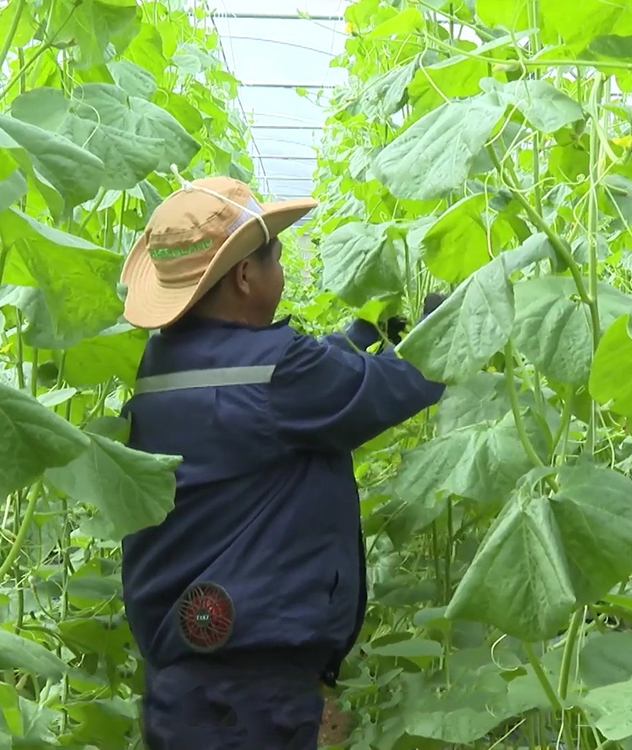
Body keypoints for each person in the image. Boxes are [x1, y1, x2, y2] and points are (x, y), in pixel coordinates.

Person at [116, 175, 445, 749]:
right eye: (278, 260)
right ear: (246, 275)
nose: (282, 273)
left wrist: (359, 337)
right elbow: (392, 387)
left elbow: (280, 392)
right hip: (250, 692)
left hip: (187, 674)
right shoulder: (277, 375)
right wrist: (446, 324)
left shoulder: (164, 363)